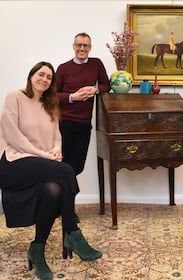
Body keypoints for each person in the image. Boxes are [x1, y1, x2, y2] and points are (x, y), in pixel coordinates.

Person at [0, 62, 102, 280]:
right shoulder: (14, 97)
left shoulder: (51, 104)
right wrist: (47, 156)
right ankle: (73, 234)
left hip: (39, 166)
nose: (44, 79)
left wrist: (56, 151)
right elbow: (13, 137)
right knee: (66, 172)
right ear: (31, 76)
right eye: (41, 74)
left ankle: (37, 250)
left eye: (49, 77)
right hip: (12, 161)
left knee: (54, 190)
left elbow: (57, 137)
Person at [55, 32, 110, 207]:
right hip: (64, 123)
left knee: (76, 166)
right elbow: (53, 96)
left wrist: (93, 90)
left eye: (85, 45)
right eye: (79, 45)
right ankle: (67, 208)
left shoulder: (96, 64)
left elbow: (106, 86)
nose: (82, 48)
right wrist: (73, 97)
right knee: (64, 166)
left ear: (90, 48)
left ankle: (64, 206)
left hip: (84, 124)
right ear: (73, 47)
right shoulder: (63, 68)